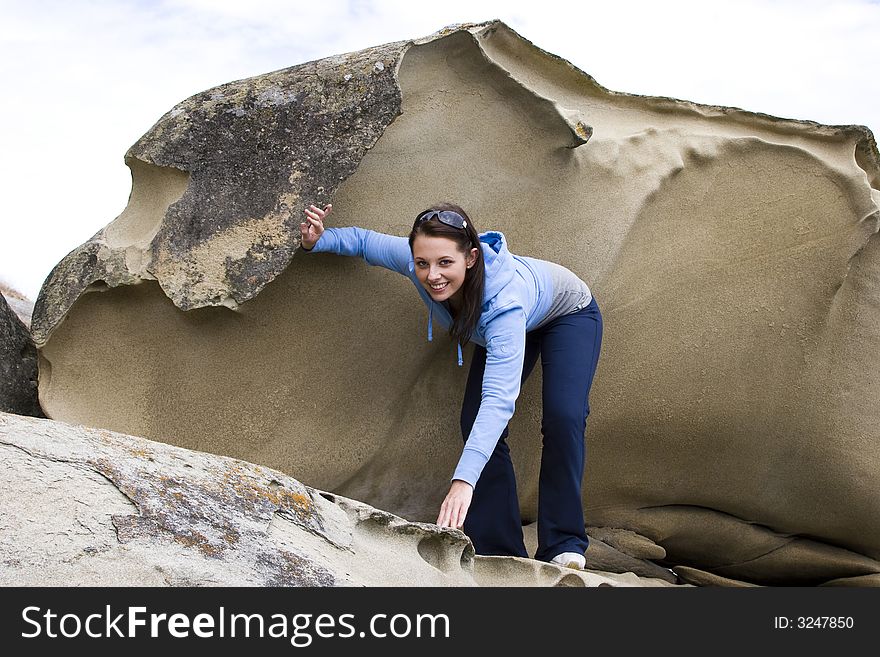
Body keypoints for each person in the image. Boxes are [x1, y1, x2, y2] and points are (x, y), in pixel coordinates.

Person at [300, 201, 603, 569]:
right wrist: (319, 239)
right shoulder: (419, 260)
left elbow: (499, 401)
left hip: (566, 314)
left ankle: (563, 543)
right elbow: (364, 242)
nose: (432, 275)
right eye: (422, 263)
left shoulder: (502, 304)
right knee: (471, 420)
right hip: (512, 323)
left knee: (563, 417)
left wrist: (463, 482)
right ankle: (500, 549)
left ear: (471, 258)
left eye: (446, 263)